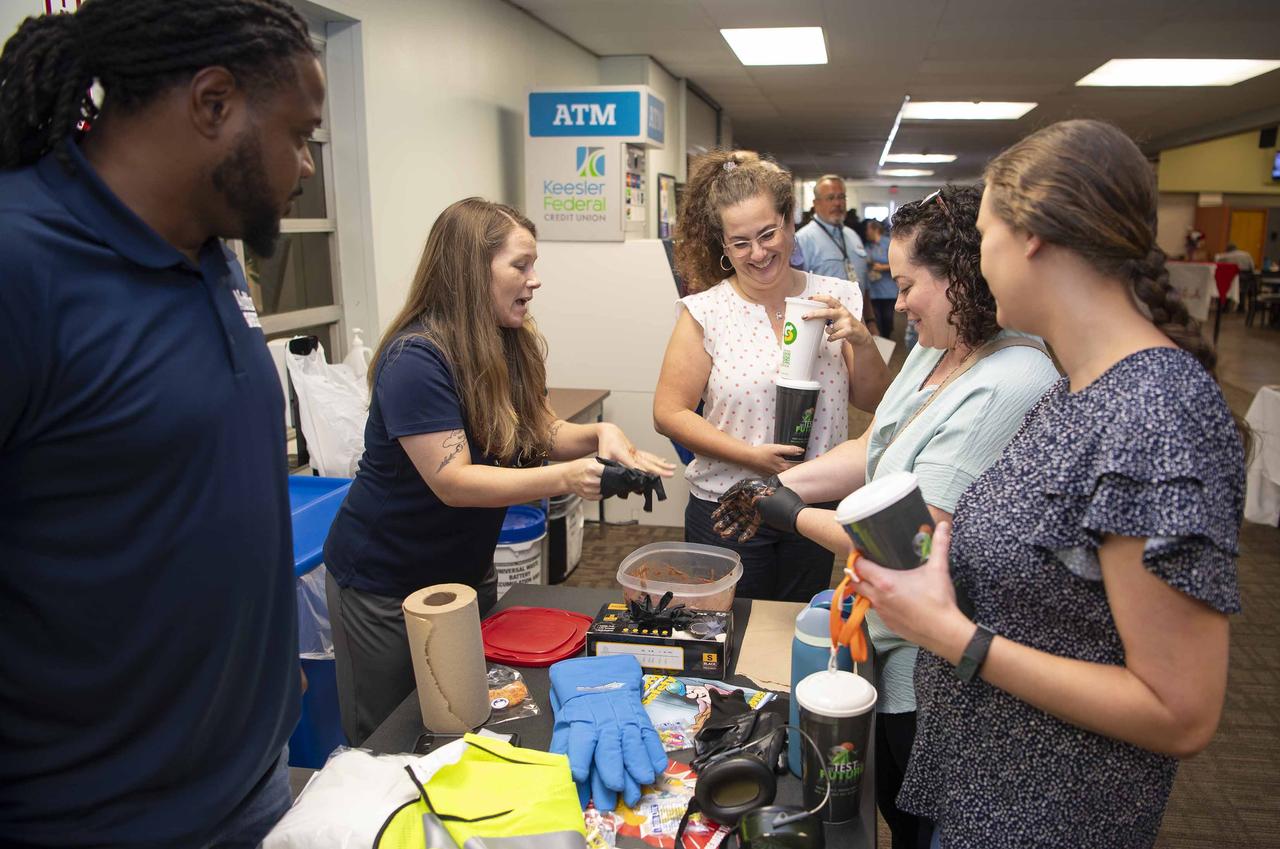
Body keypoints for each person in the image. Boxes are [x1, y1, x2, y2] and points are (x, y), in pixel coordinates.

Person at [854, 120, 1245, 848]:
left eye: (986, 234)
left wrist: (955, 636)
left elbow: (1180, 710)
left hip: (1049, 815)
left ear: (1031, 236)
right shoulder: (1077, 386)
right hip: (985, 788)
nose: (979, 260)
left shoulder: (1153, 413)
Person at [0, 2, 323, 846]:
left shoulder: (209, 251)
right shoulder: (21, 263)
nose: (310, 166)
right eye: (299, 133)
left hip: (249, 776)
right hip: (101, 818)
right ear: (213, 103)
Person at [712, 184, 1059, 849]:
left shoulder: (1014, 376)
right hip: (884, 633)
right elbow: (873, 451)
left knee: (921, 820)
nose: (896, 303)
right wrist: (775, 484)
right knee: (890, 804)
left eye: (906, 285)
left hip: (934, 669)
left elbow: (907, 541)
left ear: (961, 278)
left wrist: (791, 514)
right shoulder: (936, 344)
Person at [323, 198, 672, 745]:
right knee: (393, 735)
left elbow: (538, 432)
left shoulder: (505, 342)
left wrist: (601, 436)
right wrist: (567, 477)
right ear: (470, 268)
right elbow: (453, 480)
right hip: (384, 585)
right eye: (521, 265)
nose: (534, 282)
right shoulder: (416, 359)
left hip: (463, 570)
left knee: (468, 719)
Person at [653, 149, 890, 603]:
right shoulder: (707, 311)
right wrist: (752, 457)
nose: (758, 253)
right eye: (740, 243)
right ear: (722, 245)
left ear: (789, 222)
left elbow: (872, 399)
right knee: (728, 634)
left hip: (811, 502)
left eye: (768, 234)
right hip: (727, 504)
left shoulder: (836, 297)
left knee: (796, 625)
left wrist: (860, 340)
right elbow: (668, 412)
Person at [795, 174, 877, 335]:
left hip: (859, 325)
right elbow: (796, 291)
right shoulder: (802, 240)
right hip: (824, 330)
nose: (838, 203)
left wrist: (871, 321)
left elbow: (863, 286)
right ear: (816, 203)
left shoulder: (852, 236)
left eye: (841, 197)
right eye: (831, 198)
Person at [864, 219, 896, 338]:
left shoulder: (889, 243)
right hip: (873, 289)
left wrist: (883, 267)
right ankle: (881, 343)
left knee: (887, 317)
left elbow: (899, 263)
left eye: (868, 229)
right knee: (876, 319)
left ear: (875, 229)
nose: (866, 232)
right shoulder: (867, 246)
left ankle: (887, 337)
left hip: (888, 290)